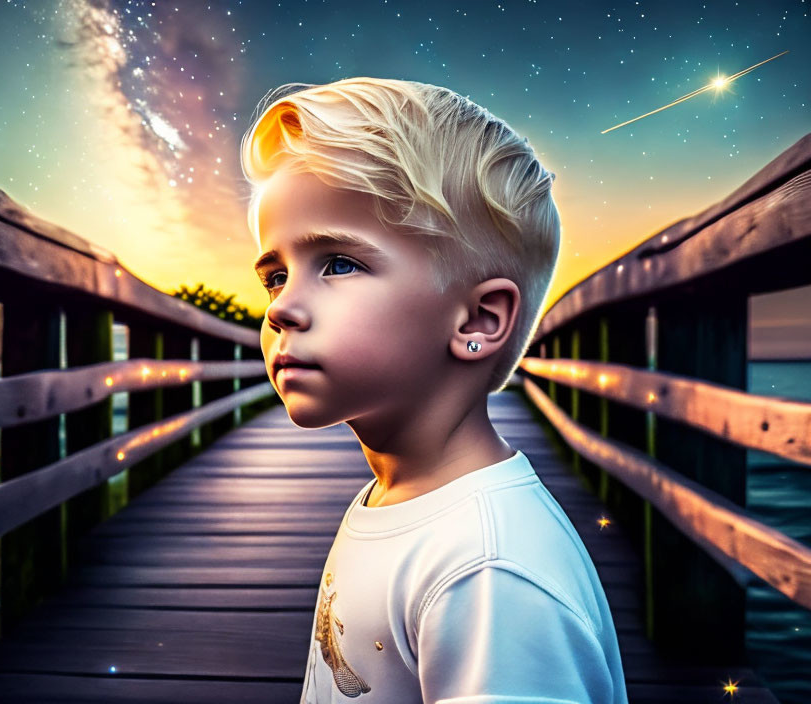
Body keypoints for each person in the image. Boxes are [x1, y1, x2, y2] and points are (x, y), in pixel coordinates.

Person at [240, 77, 628, 703]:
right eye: (276, 275)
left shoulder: (490, 573)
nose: (282, 307)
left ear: (477, 322)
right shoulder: (393, 499)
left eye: (339, 263)